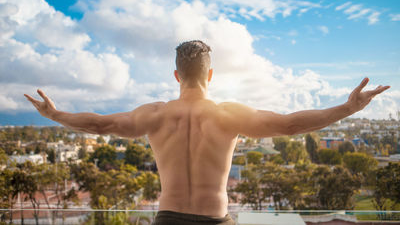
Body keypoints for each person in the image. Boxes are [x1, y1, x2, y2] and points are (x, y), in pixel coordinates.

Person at [24, 40, 390, 225]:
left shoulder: (154, 115)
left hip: (167, 219)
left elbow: (99, 123)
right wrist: (348, 108)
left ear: (176, 75)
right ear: (211, 75)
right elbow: (291, 124)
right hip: (215, 220)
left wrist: (54, 114)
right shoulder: (226, 115)